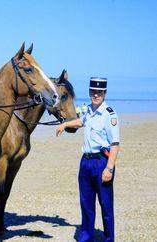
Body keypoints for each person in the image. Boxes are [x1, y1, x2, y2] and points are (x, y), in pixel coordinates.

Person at [56, 77, 120, 242]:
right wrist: (64, 125)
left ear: (104, 93)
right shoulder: (89, 111)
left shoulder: (109, 115)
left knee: (106, 206)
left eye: (99, 92)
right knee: (86, 204)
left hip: (101, 163)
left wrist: (109, 168)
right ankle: (86, 237)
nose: (96, 95)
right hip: (86, 162)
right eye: (93, 92)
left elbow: (115, 144)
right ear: (90, 92)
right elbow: (81, 121)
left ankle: (108, 239)